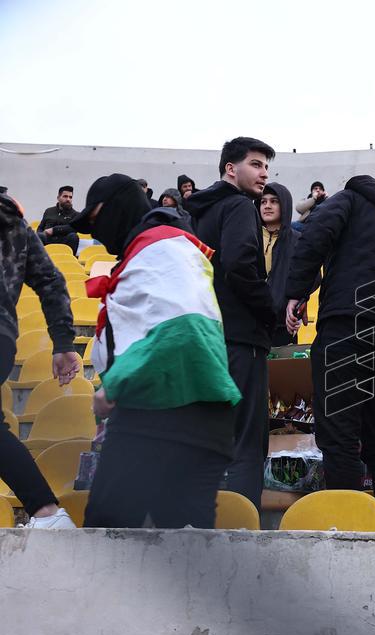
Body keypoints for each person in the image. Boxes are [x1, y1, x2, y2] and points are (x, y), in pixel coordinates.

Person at [67, 174, 241, 528]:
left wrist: (114, 385)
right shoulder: (160, 248)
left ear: (119, 205)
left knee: (109, 539)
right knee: (181, 554)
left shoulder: (161, 244)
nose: (95, 232)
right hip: (193, 417)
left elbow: (183, 327)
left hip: (162, 416)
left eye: (96, 217)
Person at [284, 176, 375, 526]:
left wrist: (296, 292)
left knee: (339, 437)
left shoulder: (347, 199)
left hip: (349, 325)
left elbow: (313, 237)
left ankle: (347, 534)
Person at [186, 136, 276, 511]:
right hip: (240, 337)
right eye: (255, 164)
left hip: (206, 336)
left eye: (267, 167)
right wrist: (270, 312)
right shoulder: (239, 206)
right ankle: (244, 532)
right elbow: (240, 266)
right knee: (246, 442)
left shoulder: (199, 212)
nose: (264, 174)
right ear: (230, 169)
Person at [0, 193, 80, 529]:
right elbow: (50, 280)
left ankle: (46, 511)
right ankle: (47, 513)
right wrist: (62, 341)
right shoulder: (12, 221)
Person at [257, 182, 302, 347]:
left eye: (274, 201)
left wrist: (299, 301)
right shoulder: (249, 237)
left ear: (285, 205)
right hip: (252, 324)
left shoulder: (298, 240)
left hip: (284, 324)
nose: (267, 206)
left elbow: (311, 277)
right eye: (263, 201)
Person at [38, 185, 80, 253]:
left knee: (74, 236)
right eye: (65, 196)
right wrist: (40, 234)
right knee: (38, 236)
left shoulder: (76, 214)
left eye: (70, 197)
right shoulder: (49, 211)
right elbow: (40, 227)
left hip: (64, 242)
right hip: (48, 241)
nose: (68, 199)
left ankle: (71, 260)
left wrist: (54, 230)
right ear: (58, 198)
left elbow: (73, 228)